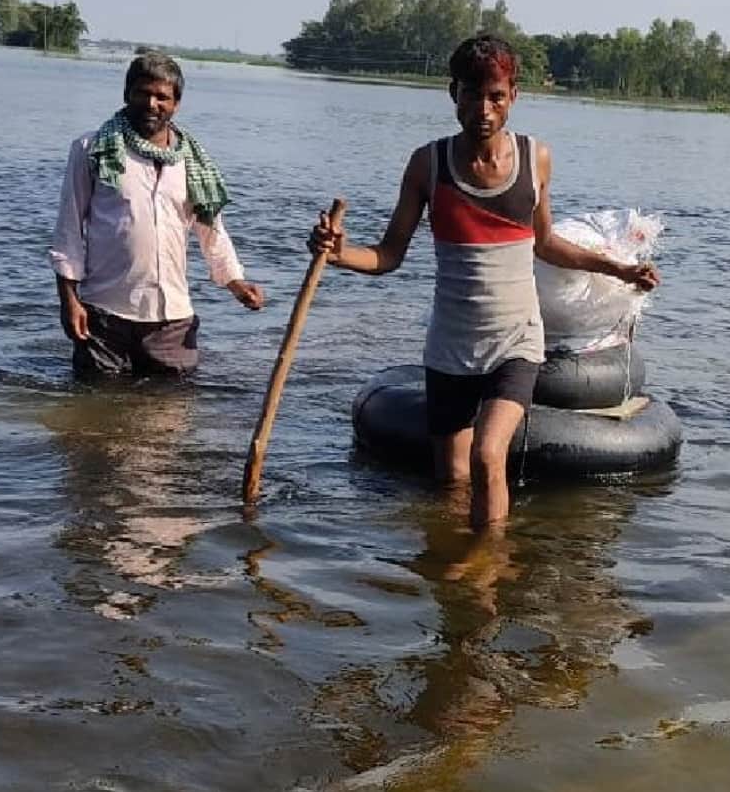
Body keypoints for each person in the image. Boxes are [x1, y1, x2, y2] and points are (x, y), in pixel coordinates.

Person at [308, 34, 659, 528]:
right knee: (451, 477)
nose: (484, 108)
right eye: (472, 94)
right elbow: (388, 255)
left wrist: (618, 269)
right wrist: (337, 252)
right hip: (451, 347)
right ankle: (455, 578)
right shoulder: (427, 165)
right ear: (454, 93)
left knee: (488, 456)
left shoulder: (535, 158)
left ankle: (487, 574)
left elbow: (546, 243)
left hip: (515, 342)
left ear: (513, 95)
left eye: (496, 95)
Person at [50, 51, 264, 379]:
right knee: (94, 412)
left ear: (176, 104)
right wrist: (69, 301)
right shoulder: (91, 149)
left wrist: (236, 283)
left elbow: (212, 231)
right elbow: (68, 230)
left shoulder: (192, 161)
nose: (152, 104)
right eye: (143, 93)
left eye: (162, 97)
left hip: (172, 320)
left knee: (171, 414)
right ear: (127, 94)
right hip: (105, 315)